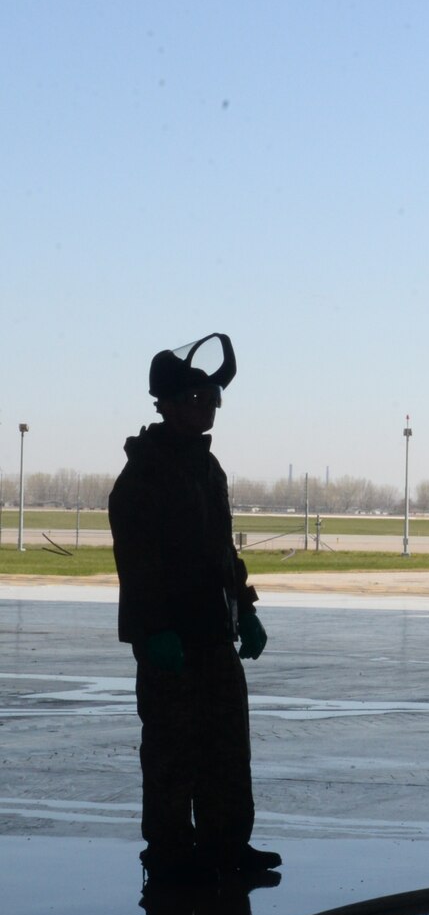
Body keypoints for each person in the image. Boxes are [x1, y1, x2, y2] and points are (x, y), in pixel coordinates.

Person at [109, 335, 277, 884]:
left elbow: (222, 553)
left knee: (227, 747)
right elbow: (138, 563)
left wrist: (245, 609)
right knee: (171, 754)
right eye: (197, 400)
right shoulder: (144, 477)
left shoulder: (208, 470)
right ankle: (169, 855)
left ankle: (227, 847)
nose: (207, 410)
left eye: (213, 401)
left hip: (213, 636)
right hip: (170, 644)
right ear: (168, 404)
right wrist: (153, 630)